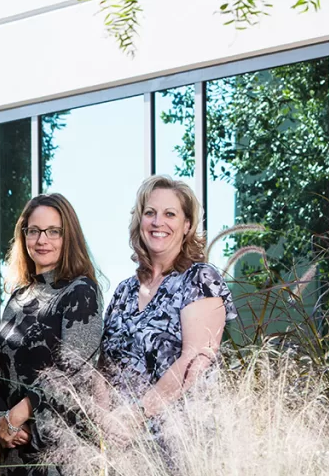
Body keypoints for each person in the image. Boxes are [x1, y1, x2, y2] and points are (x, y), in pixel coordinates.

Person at [0, 194, 102, 476]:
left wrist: (17, 415)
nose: (43, 240)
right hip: (16, 450)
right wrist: (0, 421)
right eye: (34, 230)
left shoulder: (80, 291)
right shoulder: (18, 297)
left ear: (67, 236)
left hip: (59, 449)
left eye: (53, 231)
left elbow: (73, 367)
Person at [99, 175, 237, 428]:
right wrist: (105, 421)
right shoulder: (123, 292)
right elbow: (104, 368)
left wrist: (136, 416)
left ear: (187, 225)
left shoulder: (200, 279)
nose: (157, 222)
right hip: (124, 445)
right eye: (150, 212)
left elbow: (194, 362)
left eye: (170, 214)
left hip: (180, 440)